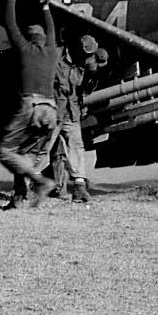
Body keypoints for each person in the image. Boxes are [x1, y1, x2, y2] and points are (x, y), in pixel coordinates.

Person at [0, 0, 62, 209]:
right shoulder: (52, 51)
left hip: (31, 105)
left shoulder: (25, 50)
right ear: (43, 39)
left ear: (29, 38)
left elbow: (10, 24)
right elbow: (52, 30)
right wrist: (46, 8)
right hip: (52, 109)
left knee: (7, 151)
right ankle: (18, 198)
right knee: (25, 153)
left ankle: (40, 182)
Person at [43, 29, 100, 203]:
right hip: (54, 111)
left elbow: (82, 86)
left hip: (71, 111)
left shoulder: (85, 61)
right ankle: (24, 186)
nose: (86, 56)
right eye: (85, 52)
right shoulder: (55, 57)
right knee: (42, 147)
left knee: (77, 147)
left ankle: (79, 188)